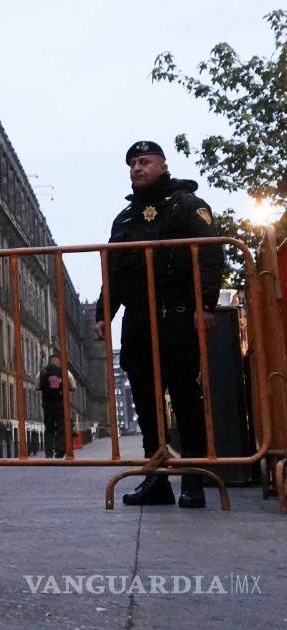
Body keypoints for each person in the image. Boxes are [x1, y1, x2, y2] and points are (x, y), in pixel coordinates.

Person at [94, 141, 222, 508]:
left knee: (186, 399)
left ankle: (194, 480)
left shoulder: (187, 205)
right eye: (132, 163)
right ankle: (157, 480)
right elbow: (114, 268)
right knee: (147, 406)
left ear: (163, 165)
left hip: (179, 316)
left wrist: (206, 304)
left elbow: (210, 253)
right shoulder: (126, 218)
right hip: (138, 321)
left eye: (145, 161)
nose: (138, 168)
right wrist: (104, 312)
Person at [37, 354, 76, 458]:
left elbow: (37, 386)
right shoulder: (64, 372)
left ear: (49, 362)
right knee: (62, 428)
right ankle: (60, 451)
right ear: (58, 362)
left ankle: (48, 454)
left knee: (49, 429)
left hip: (47, 405)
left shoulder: (42, 373)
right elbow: (73, 386)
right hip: (61, 404)